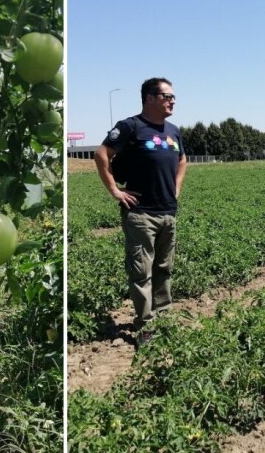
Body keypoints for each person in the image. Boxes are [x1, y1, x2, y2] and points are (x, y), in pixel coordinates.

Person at [93, 77, 187, 346]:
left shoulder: (173, 131)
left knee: (164, 267)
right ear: (149, 98)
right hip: (141, 213)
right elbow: (102, 154)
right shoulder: (131, 127)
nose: (172, 101)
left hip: (168, 211)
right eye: (167, 96)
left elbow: (182, 160)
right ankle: (145, 326)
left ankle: (163, 317)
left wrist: (176, 188)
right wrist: (115, 191)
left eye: (173, 97)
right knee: (141, 271)